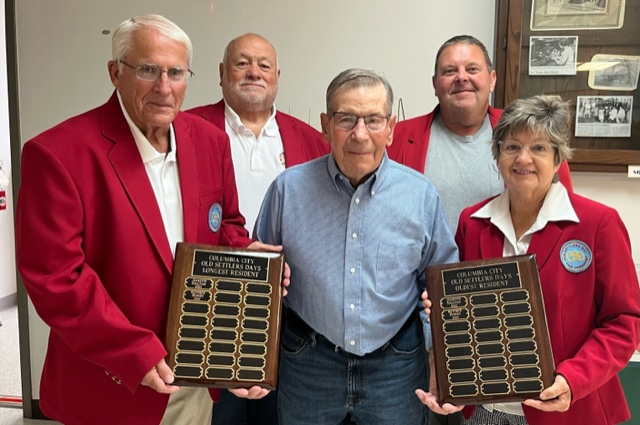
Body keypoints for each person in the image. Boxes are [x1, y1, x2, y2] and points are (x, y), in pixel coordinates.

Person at [15, 14, 283, 425]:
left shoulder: (209, 142)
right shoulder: (58, 154)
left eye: (176, 72)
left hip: (196, 374)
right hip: (110, 385)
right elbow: (56, 278)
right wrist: (133, 351)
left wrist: (248, 259)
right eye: (147, 70)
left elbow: (226, 225)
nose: (164, 87)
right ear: (115, 73)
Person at [417, 95, 640, 425]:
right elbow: (465, 316)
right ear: (498, 155)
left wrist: (572, 379)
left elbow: (624, 322)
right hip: (484, 412)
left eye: (538, 147)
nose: (524, 158)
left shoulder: (598, 223)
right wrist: (442, 311)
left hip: (567, 410)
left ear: (557, 157)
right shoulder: (473, 222)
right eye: (511, 147)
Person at [254, 68, 459, 425]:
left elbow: (440, 288)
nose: (360, 134)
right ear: (325, 124)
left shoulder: (420, 195)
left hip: (396, 367)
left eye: (373, 120)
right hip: (308, 363)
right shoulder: (287, 191)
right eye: (346, 119)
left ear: (392, 127)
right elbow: (260, 282)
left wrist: (437, 358)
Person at [188, 33, 328, 425]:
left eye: (264, 65)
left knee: (278, 413)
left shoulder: (310, 139)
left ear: (277, 75)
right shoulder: (187, 130)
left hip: (288, 307)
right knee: (219, 415)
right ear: (220, 74)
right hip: (213, 303)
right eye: (242, 63)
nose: (254, 72)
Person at [388, 35, 573, 234]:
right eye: (450, 71)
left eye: (472, 69)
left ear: (492, 80)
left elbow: (562, 209)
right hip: (423, 264)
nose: (461, 77)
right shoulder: (396, 138)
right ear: (435, 84)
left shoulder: (532, 134)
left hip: (505, 261)